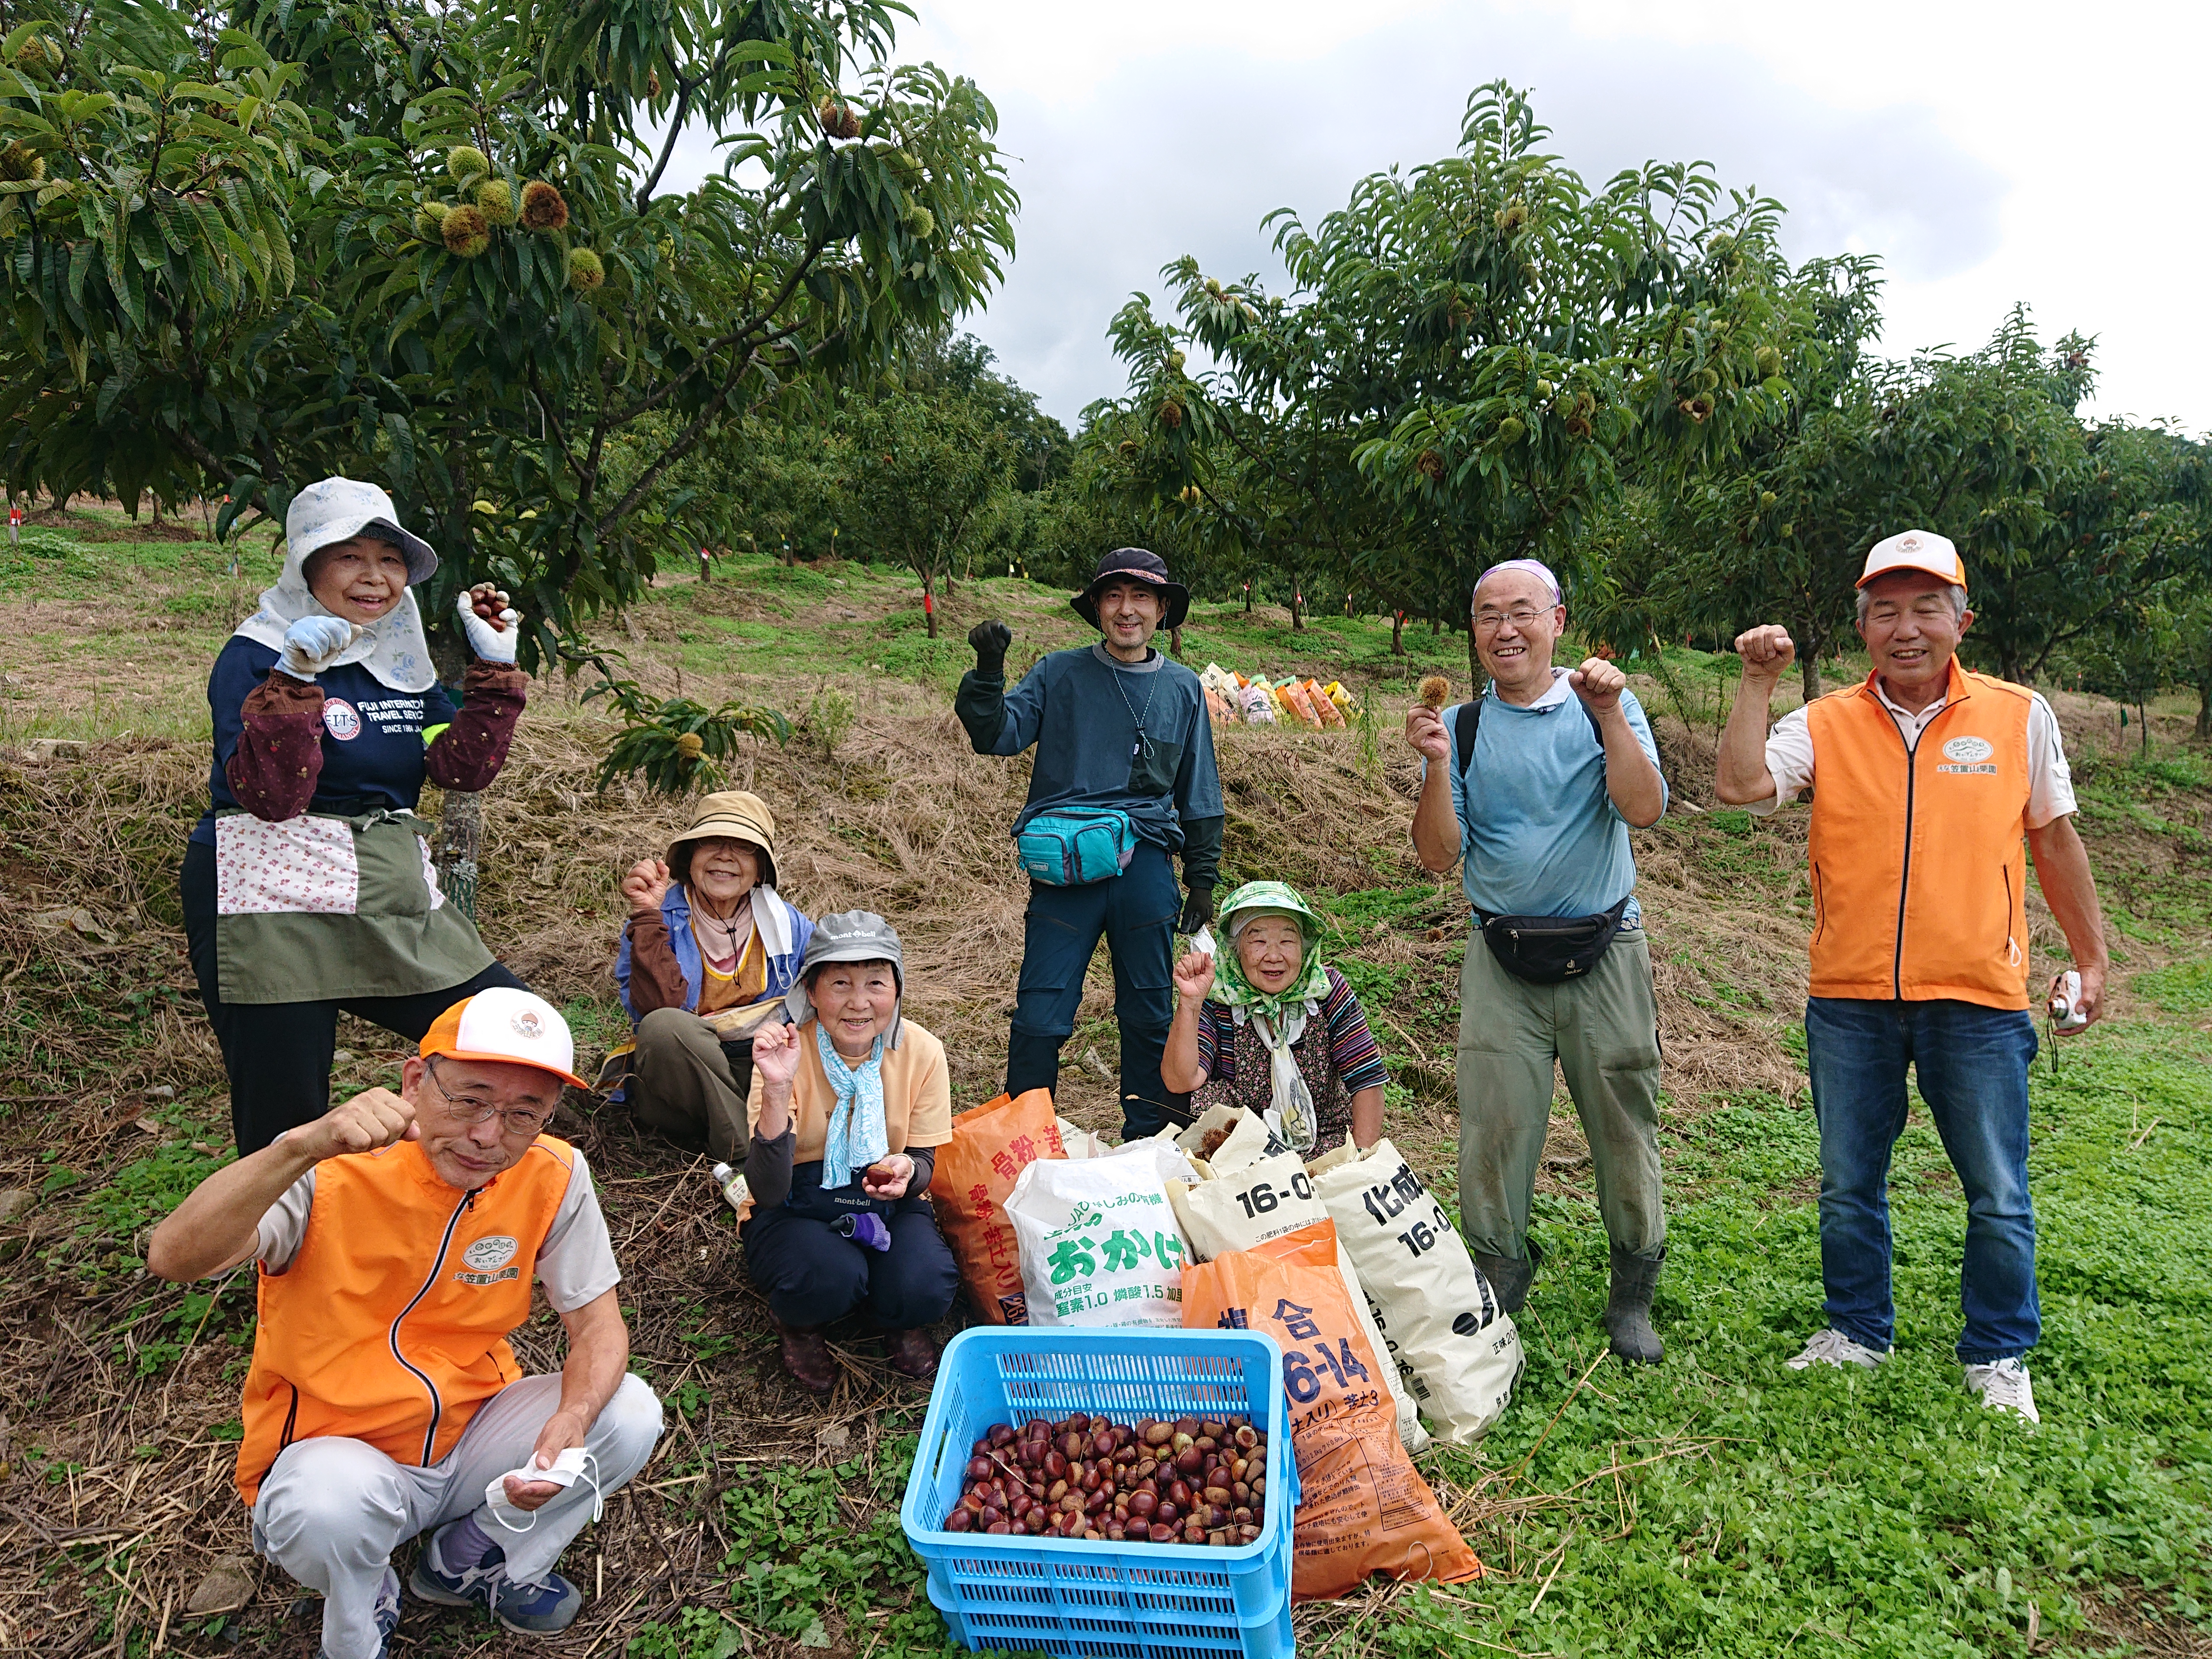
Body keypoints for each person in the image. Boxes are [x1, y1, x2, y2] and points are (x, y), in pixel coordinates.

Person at [1715, 529, 2110, 1424]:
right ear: (1861, 628)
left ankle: (1998, 1352)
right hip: (1850, 1001)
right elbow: (1738, 788)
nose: (1906, 627)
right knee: (1847, 1182)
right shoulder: (1821, 723)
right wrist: (1754, 684)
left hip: (1976, 999)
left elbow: (2050, 836)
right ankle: (1856, 1331)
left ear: (1960, 618)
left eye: (1925, 606)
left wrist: (2089, 959)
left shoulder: (2018, 716)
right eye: (1884, 610)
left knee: (1997, 1189)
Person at [145, 990, 663, 1659]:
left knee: (628, 1412)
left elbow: (598, 1326)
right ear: (416, 1080)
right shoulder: (330, 1170)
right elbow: (175, 1257)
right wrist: (298, 1145)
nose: (488, 1135)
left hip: (472, 1429)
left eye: (521, 1114)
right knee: (324, 1508)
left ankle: (471, 1557)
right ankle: (363, 1608)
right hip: (340, 1450)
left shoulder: (554, 1174)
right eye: (469, 1099)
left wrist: (573, 1416)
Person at [182, 476, 534, 1155]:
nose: (375, 577)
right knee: (285, 1117)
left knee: (510, 1028)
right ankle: (278, 1249)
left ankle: (443, 1187)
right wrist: (293, 681)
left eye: (391, 560)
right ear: (306, 562)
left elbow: (460, 770)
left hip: (384, 884)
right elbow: (271, 799)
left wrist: (494, 673)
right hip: (271, 898)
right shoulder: (255, 655)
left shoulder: (400, 662)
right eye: (349, 556)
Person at [1406, 557, 1671, 1365]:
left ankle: (1632, 1286)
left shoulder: (1602, 708)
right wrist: (1435, 769)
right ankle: (1499, 1267)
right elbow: (1435, 857)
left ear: (1558, 619)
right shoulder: (1462, 726)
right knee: (1492, 1126)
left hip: (1605, 949)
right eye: (1488, 614)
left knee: (1624, 1124)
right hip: (1501, 953)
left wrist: (1612, 716)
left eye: (1522, 611)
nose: (1505, 629)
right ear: (1474, 631)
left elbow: (1644, 809)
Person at [956, 548, 1225, 1140]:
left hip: (1145, 867)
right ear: (1099, 608)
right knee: (1040, 1016)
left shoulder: (1181, 689)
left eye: (1141, 598)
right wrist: (987, 670)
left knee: (1151, 1013)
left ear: (1161, 611)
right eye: (1114, 597)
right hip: (1065, 870)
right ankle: (1027, 1146)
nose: (1127, 610)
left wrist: (1202, 878)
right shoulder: (1059, 673)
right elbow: (998, 735)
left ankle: (1154, 1146)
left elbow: (1199, 786)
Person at [740, 911, 959, 1391]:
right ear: (811, 992)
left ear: (897, 991)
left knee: (926, 1284)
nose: (859, 1003)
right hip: (797, 1201)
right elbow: (768, 1188)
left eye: (876, 984)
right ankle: (800, 1323)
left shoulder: (921, 1052)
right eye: (840, 983)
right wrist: (777, 1089)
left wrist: (907, 1172)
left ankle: (892, 1316)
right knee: (827, 1274)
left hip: (884, 1198)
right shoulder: (783, 1052)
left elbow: (923, 1161)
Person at [609, 792, 813, 1163]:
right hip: (681, 1084)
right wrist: (647, 916)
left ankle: (743, 1130)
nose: (724, 856)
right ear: (691, 857)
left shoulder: (788, 925)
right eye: (711, 843)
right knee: (666, 1027)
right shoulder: (659, 918)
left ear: (761, 868)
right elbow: (657, 1011)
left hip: (759, 1074)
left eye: (743, 847)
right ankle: (750, 1156)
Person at [1161, 879, 1388, 1155]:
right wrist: (1190, 1004)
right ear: (1236, 949)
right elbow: (1180, 1081)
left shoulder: (1327, 991)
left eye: (1287, 941)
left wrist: (1361, 1161)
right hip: (1234, 1150)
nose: (1274, 956)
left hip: (1325, 1145)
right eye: (1258, 941)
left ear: (1304, 948)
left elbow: (1366, 1080)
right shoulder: (1219, 996)